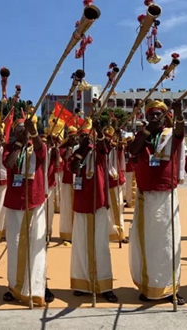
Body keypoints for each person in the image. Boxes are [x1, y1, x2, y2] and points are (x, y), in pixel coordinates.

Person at [128, 99, 186, 305]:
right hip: (145, 196)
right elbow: (132, 150)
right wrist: (146, 132)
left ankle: (171, 288)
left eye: (158, 114)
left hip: (166, 195)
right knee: (148, 243)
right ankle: (149, 286)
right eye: (151, 114)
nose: (154, 117)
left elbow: (180, 131)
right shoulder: (141, 136)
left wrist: (178, 113)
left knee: (169, 242)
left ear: (164, 117)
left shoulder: (170, 134)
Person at [2, 118, 54, 306]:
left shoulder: (38, 145)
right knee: (15, 246)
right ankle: (15, 287)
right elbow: (9, 164)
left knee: (36, 245)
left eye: (25, 128)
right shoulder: (9, 148)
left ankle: (39, 286)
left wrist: (33, 133)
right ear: (14, 132)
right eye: (19, 129)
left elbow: (41, 151)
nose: (23, 131)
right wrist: (18, 144)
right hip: (15, 202)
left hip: (35, 201)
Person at [69, 123, 118, 303]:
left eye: (87, 136)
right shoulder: (77, 152)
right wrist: (82, 149)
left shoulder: (100, 150)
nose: (85, 139)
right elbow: (74, 167)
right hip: (82, 203)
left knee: (101, 245)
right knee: (81, 244)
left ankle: (104, 285)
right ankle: (82, 283)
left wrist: (98, 131)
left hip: (98, 202)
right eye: (82, 136)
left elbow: (105, 146)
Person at [107, 128, 128, 244]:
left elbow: (120, 145)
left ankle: (120, 234)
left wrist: (119, 135)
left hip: (115, 182)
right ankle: (110, 232)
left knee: (118, 208)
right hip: (104, 182)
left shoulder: (115, 149)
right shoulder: (100, 149)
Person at [59, 127, 78, 244]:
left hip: (77, 180)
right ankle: (67, 233)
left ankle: (76, 232)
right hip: (67, 180)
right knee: (67, 206)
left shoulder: (79, 148)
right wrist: (69, 151)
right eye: (72, 137)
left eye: (75, 137)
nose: (74, 139)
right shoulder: (63, 148)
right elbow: (65, 158)